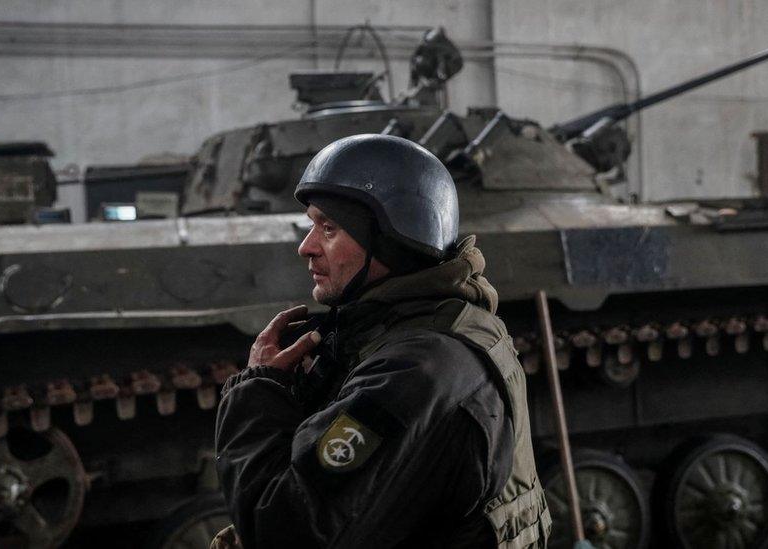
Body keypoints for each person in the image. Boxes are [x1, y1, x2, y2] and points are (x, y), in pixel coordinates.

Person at [214, 134, 550, 548]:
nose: (307, 247)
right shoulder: (453, 320)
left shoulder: (414, 370)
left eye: (329, 228)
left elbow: (282, 530)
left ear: (392, 239)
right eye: (311, 226)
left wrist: (258, 392)